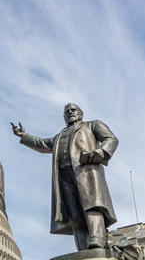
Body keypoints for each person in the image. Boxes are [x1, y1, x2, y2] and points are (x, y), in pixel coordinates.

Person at [11, 103, 118, 250]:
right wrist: (24, 135)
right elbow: (41, 143)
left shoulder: (92, 125)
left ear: (81, 114)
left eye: (73, 110)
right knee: (74, 214)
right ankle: (82, 248)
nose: (70, 112)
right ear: (64, 117)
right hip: (64, 175)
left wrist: (101, 151)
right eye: (67, 112)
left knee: (92, 205)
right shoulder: (59, 136)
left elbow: (110, 139)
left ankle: (97, 238)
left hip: (86, 171)